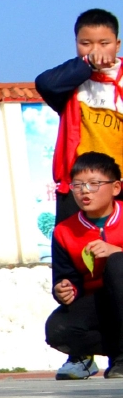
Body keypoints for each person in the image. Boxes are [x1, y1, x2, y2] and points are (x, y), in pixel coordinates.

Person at [36, 8, 122, 223]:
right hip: (77, 187)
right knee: (74, 250)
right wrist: (88, 64)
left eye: (104, 44)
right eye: (86, 44)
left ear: (117, 45)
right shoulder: (71, 82)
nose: (96, 50)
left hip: (118, 183)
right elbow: (45, 83)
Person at [46, 152, 122, 379]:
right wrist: (64, 289)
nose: (84, 191)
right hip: (99, 305)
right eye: (77, 185)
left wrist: (117, 252)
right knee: (58, 328)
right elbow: (66, 276)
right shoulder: (64, 231)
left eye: (94, 184)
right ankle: (113, 352)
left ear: (116, 188)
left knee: (118, 263)